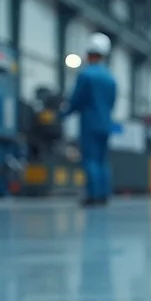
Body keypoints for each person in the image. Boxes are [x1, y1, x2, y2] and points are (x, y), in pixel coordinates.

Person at [60, 32, 117, 206]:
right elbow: (112, 102)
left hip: (90, 123)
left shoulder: (86, 75)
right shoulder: (110, 78)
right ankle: (104, 195)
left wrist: (63, 114)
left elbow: (76, 100)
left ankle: (93, 196)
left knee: (91, 159)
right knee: (102, 160)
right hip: (106, 123)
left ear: (88, 53)